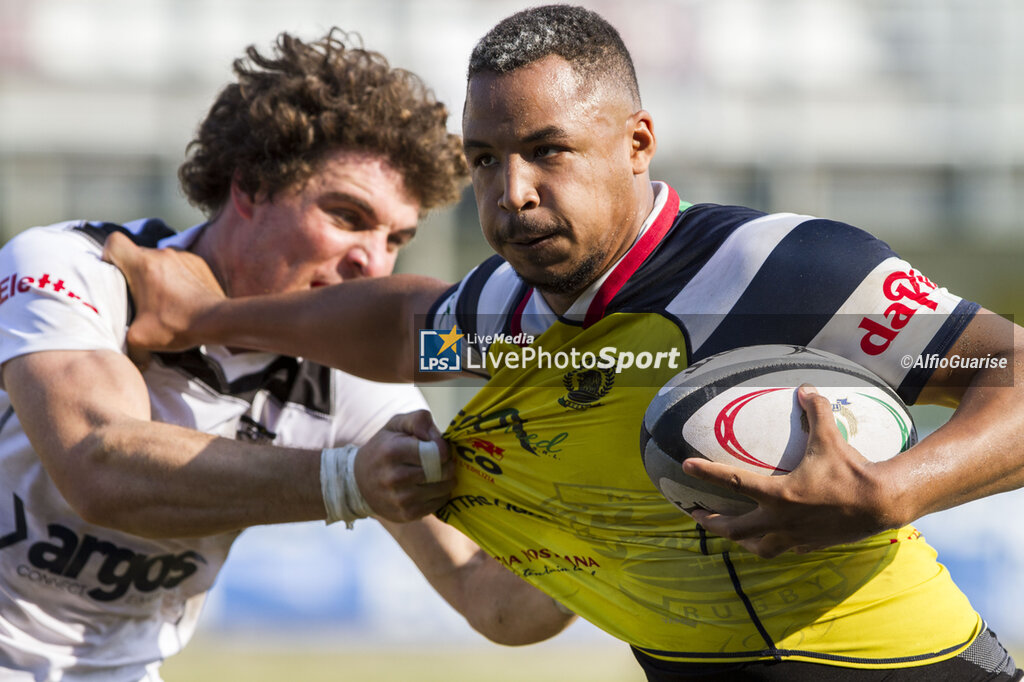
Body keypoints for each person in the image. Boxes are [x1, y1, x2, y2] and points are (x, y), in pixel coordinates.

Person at [104, 5, 1024, 681]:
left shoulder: (781, 272)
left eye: (549, 151)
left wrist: (890, 492)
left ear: (636, 143)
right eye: (483, 160)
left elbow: (1009, 369)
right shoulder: (510, 314)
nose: (511, 193)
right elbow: (399, 323)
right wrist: (209, 321)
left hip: (913, 666)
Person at [0, 28, 574, 680]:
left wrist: (608, 533)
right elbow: (100, 469)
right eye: (348, 216)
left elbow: (492, 600)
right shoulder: (71, 267)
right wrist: (348, 481)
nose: (373, 261)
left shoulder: (355, 373)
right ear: (249, 187)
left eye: (397, 237)